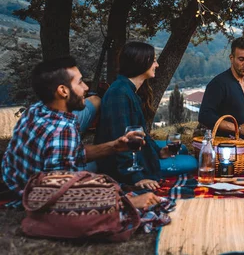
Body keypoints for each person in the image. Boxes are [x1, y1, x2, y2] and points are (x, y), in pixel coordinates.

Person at [1, 56, 145, 195]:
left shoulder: (37, 109)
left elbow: (74, 153)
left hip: (14, 179)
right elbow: (61, 194)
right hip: (30, 194)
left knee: (96, 167)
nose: (86, 87)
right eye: (80, 82)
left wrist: (114, 146)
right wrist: (126, 199)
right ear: (63, 90)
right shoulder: (62, 130)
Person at [95, 42, 197, 191]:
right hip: (120, 167)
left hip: (139, 151)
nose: (157, 65)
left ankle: (159, 155)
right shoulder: (119, 94)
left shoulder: (129, 90)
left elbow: (141, 134)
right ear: (141, 63)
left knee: (181, 148)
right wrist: (136, 178)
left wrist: (159, 151)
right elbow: (121, 142)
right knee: (192, 162)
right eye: (154, 60)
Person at [198, 36, 244, 140]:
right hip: (225, 147)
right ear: (231, 58)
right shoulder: (218, 84)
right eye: (241, 59)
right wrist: (239, 128)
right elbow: (205, 117)